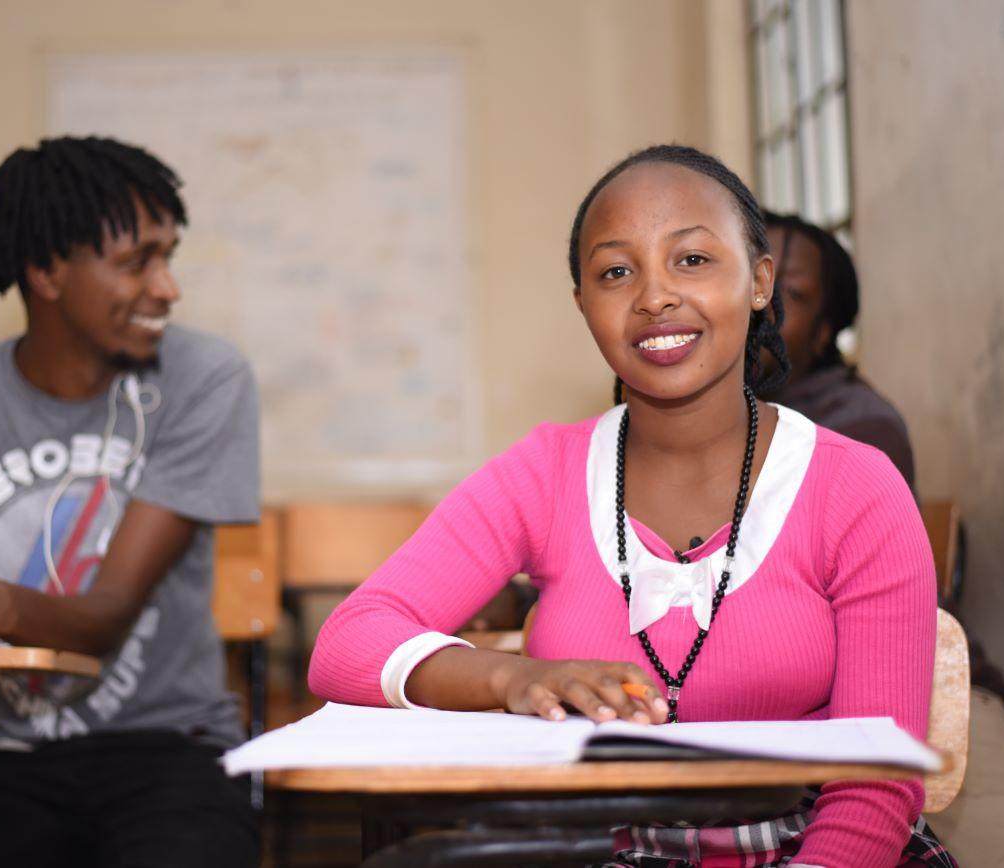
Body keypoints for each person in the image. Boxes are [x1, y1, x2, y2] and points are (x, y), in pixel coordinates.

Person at [308, 145, 952, 867]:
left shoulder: (855, 488)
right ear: (584, 304)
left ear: (761, 280)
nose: (653, 297)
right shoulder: (544, 472)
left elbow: (877, 786)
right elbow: (348, 642)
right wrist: (514, 678)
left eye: (693, 260)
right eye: (616, 271)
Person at [0, 136, 261, 867]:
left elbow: (104, 616)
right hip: (11, 758)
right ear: (46, 272)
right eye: (137, 263)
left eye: (169, 257)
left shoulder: (203, 377)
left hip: (171, 749)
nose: (167, 288)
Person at [762, 211, 916, 487]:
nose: (760, 303)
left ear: (824, 332)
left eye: (792, 292)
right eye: (750, 279)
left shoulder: (864, 431)